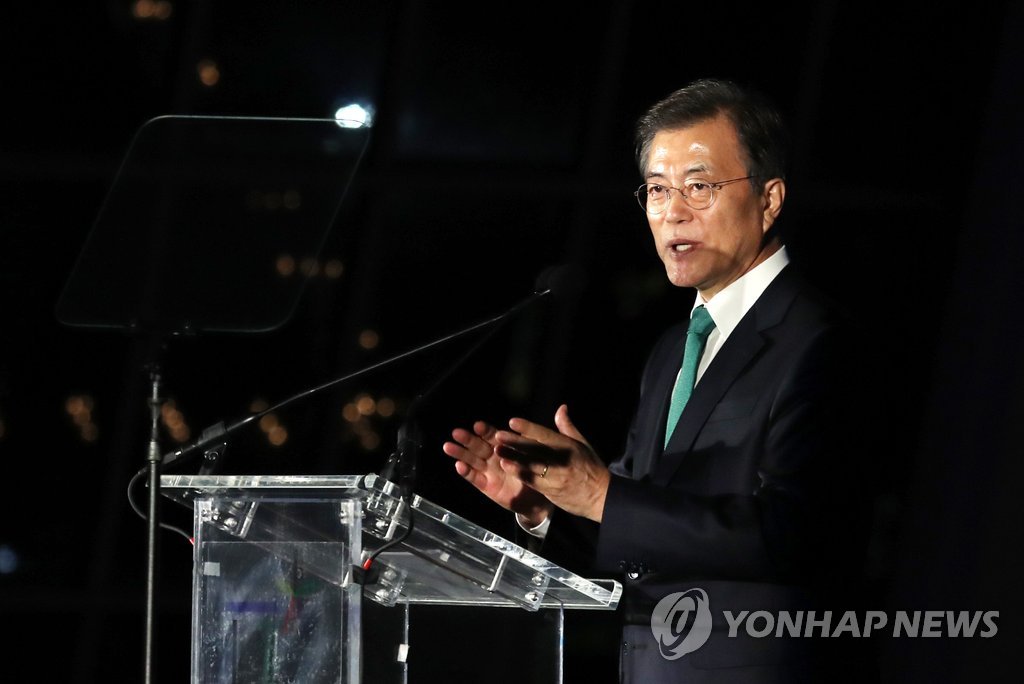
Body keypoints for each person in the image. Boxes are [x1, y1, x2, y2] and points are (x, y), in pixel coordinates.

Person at [443, 78, 869, 683]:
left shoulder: (821, 341)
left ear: (770, 198)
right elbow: (645, 541)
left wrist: (602, 495)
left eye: (699, 186)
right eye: (658, 189)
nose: (673, 212)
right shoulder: (673, 350)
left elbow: (795, 536)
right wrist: (549, 506)